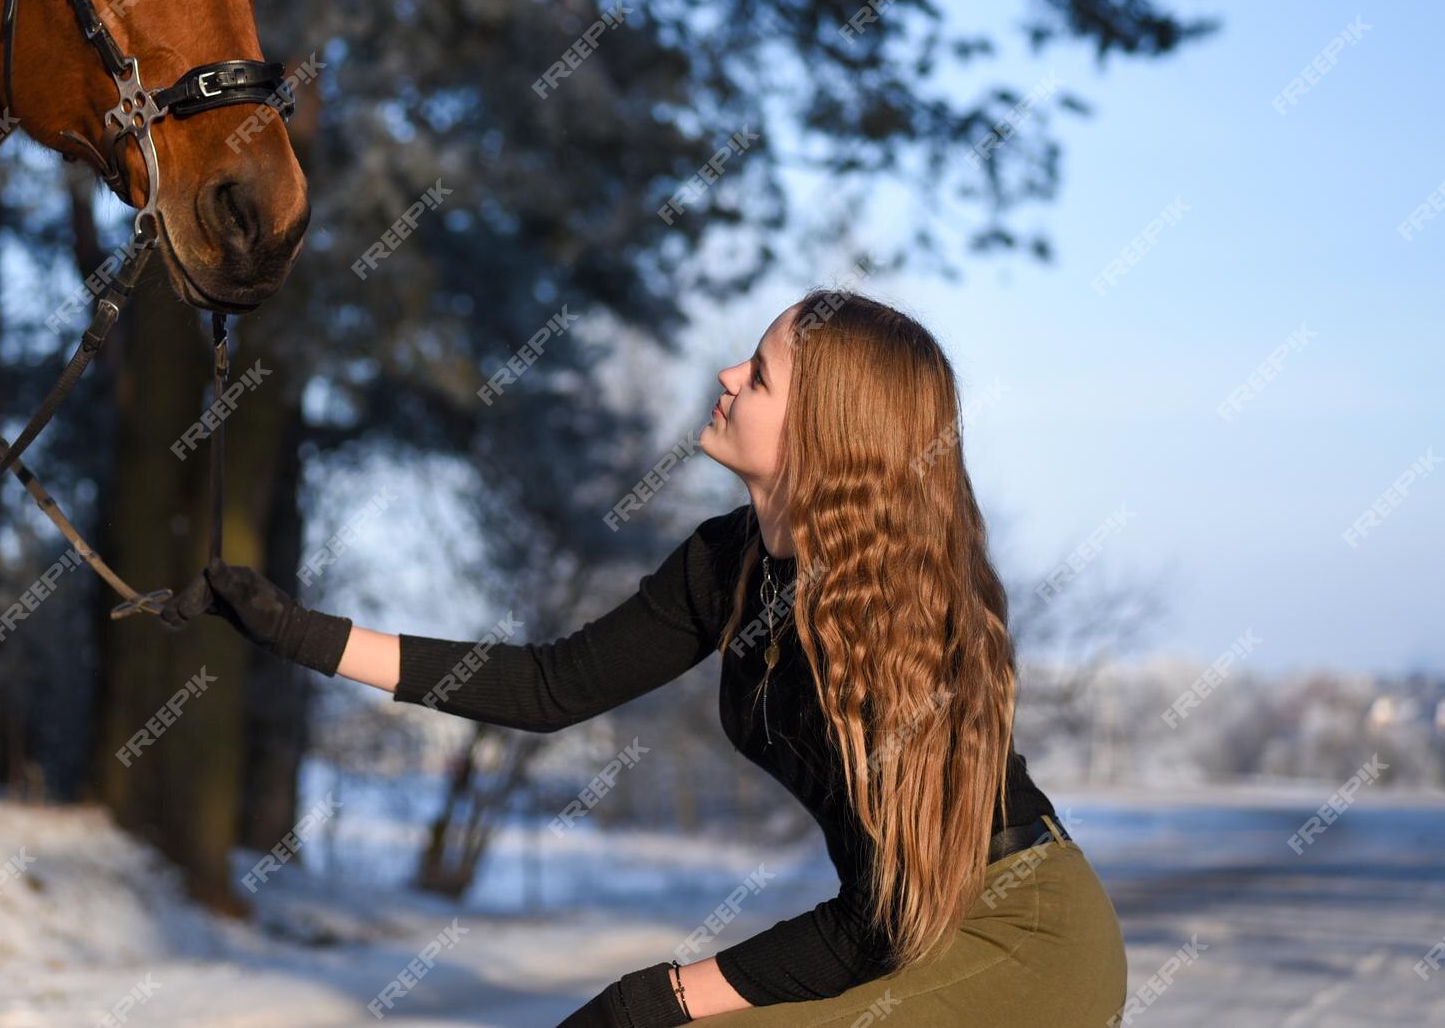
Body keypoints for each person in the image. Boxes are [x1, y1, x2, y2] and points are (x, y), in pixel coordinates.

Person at [176, 287, 1129, 1025]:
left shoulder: (896, 617)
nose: (724, 375)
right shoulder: (728, 565)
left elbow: (884, 909)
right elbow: (548, 686)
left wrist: (666, 994)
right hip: (903, 931)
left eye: (757, 374)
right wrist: (295, 630)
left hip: (1016, 933)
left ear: (825, 431)